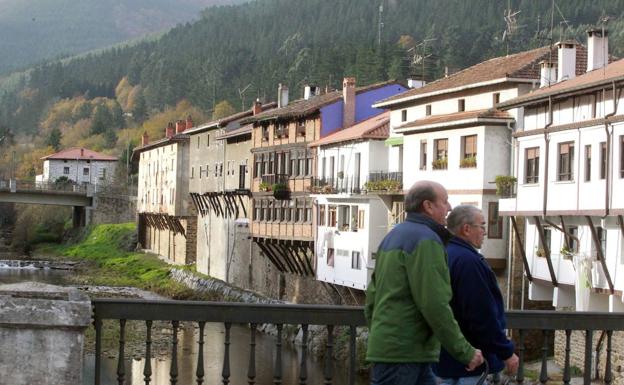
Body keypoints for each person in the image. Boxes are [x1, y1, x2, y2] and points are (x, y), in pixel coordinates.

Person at [365, 181, 484, 385]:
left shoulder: (393, 236)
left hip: (397, 350)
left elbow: (371, 299)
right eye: (445, 202)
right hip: (405, 353)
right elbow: (434, 303)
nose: (449, 208)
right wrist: (465, 351)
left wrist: (383, 336)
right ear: (428, 206)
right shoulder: (426, 240)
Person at [434, 205, 519, 385]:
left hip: (442, 358)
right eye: (482, 226)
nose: (484, 232)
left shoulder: (443, 253)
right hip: (468, 363)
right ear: (466, 229)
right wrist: (506, 352)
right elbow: (481, 314)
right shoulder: (469, 262)